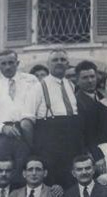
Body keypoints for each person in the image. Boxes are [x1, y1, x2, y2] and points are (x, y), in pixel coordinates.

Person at [28, 50, 85, 188]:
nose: (59, 62)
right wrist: (34, 147)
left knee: (72, 183)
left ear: (67, 64)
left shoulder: (71, 86)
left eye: (62, 59)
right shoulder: (37, 88)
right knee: (52, 185)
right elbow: (27, 121)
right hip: (49, 142)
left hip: (71, 141)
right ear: (48, 64)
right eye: (55, 60)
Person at [0, 50, 37, 183]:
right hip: (2, 137)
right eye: (3, 64)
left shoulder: (31, 81)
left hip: (25, 133)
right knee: (2, 177)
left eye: (11, 63)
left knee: (25, 174)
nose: (7, 67)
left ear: (17, 63)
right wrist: (2, 128)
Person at [75, 61, 104, 148]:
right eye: (85, 78)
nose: (90, 81)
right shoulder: (75, 102)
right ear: (77, 81)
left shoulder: (102, 97)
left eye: (92, 76)